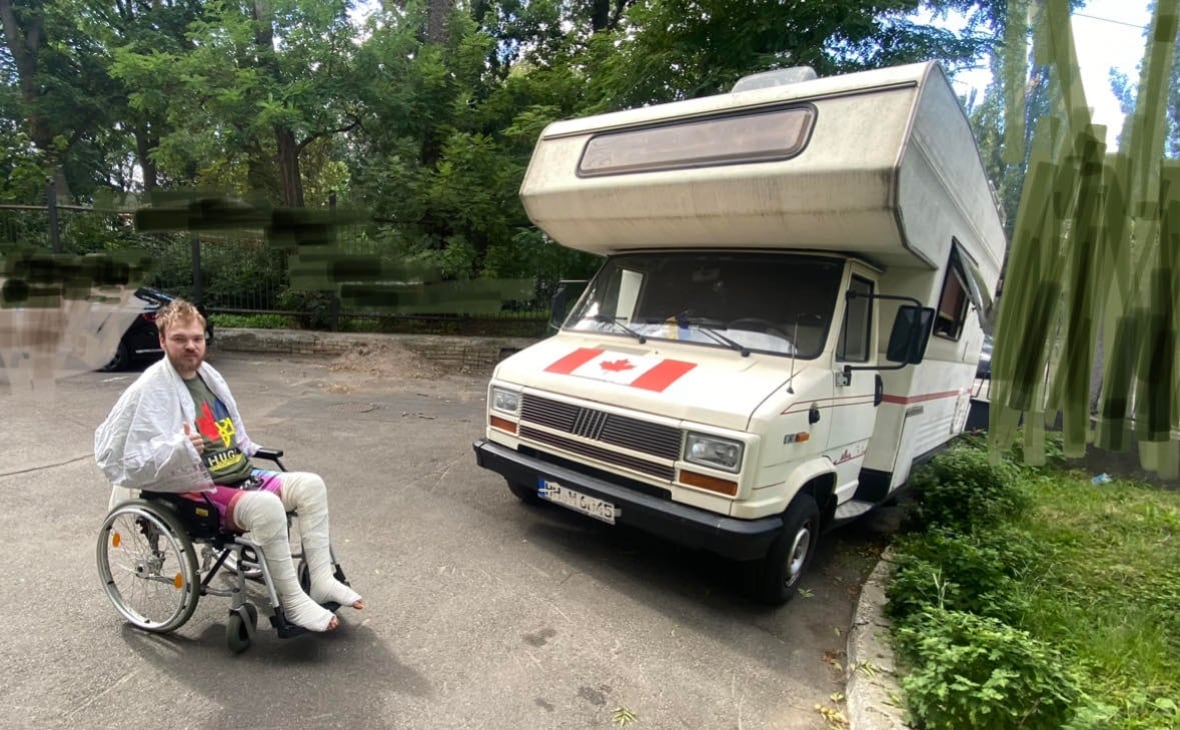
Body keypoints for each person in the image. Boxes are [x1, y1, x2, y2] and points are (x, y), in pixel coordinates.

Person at [95, 298, 362, 632]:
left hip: (239, 473)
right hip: (196, 488)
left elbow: (231, 430)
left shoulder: (208, 375)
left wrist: (246, 447)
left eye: (198, 338)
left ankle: (321, 579)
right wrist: (176, 447)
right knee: (265, 509)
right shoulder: (149, 389)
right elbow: (120, 455)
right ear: (162, 340)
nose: (191, 346)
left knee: (311, 485)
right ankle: (292, 602)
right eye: (180, 339)